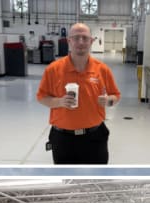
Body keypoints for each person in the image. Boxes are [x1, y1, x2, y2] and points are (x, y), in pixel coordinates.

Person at [35, 22, 121, 164]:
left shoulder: (102, 70)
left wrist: (108, 100)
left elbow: (116, 95)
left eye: (85, 38)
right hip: (63, 139)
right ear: (69, 41)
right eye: (76, 38)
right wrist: (60, 101)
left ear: (91, 41)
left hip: (94, 137)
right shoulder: (53, 69)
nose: (80, 42)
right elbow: (41, 97)